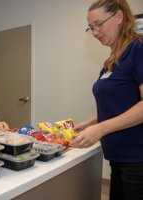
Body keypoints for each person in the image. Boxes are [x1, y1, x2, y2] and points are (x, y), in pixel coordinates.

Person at [70, 0, 143, 199]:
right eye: (91, 28)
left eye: (99, 24)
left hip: (137, 159)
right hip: (118, 157)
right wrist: (88, 123)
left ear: (119, 17)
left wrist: (101, 128)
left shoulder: (138, 48)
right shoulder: (113, 59)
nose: (95, 32)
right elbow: (120, 104)